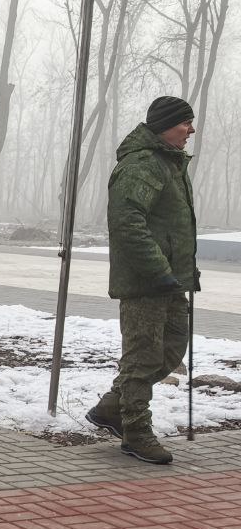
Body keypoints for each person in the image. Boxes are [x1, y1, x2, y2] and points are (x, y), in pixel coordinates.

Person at [85, 96, 199, 465]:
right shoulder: (143, 165)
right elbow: (127, 222)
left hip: (170, 280)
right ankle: (136, 432)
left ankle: (109, 409)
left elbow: (171, 226)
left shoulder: (169, 164)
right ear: (167, 125)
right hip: (147, 282)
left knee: (171, 350)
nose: (191, 131)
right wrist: (158, 270)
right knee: (142, 358)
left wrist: (182, 271)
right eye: (186, 123)